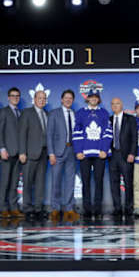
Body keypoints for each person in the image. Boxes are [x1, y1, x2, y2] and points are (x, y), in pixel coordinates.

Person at [73, 89, 112, 220]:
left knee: (99, 181)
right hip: (84, 154)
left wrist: (104, 150)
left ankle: (98, 209)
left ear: (98, 99)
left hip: (99, 153)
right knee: (86, 182)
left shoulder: (104, 113)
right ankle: (87, 209)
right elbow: (76, 132)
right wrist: (78, 150)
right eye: (91, 97)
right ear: (87, 98)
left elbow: (108, 132)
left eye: (96, 97)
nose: (94, 99)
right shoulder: (80, 113)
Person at [47, 90, 79, 222]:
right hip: (58, 152)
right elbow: (49, 135)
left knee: (70, 181)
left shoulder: (75, 114)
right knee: (56, 181)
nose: (68, 100)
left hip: (72, 150)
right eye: (66, 98)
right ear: (61, 99)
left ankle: (69, 209)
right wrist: (51, 153)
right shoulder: (54, 113)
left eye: (70, 98)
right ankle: (55, 208)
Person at [19, 90, 49, 220]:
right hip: (30, 153)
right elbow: (22, 133)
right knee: (28, 182)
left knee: (40, 182)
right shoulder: (27, 113)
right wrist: (22, 152)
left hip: (43, 153)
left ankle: (38, 208)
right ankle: (27, 208)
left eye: (44, 98)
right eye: (39, 98)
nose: (41, 100)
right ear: (34, 99)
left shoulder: (47, 114)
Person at [0, 87, 24, 219]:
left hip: (18, 153)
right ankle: (2, 207)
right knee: (5, 181)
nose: (15, 98)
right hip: (7, 152)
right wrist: (2, 149)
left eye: (17, 96)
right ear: (8, 97)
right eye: (13, 95)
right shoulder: (3, 112)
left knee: (14, 182)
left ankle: (13, 207)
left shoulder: (20, 113)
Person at [109, 97, 137, 218]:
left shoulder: (130, 119)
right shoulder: (108, 120)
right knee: (114, 183)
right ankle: (117, 208)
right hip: (112, 155)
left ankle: (129, 208)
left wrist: (132, 153)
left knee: (128, 182)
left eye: (117, 104)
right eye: (113, 104)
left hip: (126, 155)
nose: (115, 106)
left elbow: (135, 138)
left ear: (122, 105)